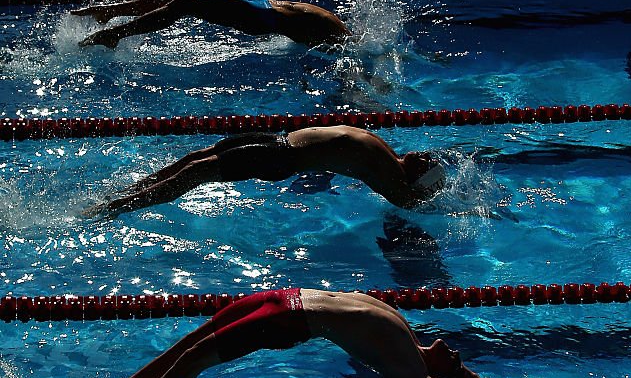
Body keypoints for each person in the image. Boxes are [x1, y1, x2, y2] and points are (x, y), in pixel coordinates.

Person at [89, 288, 500, 378]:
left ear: (439, 372)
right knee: (184, 349)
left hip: (286, 321)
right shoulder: (407, 334)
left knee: (193, 360)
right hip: (281, 299)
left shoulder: (408, 367)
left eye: (456, 363)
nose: (458, 353)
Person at [84, 127, 446, 216]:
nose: (427, 155)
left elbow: (404, 202)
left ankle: (115, 208)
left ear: (419, 173)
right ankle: (125, 195)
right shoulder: (388, 153)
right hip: (276, 141)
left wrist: (431, 195)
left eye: (430, 164)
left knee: (194, 174)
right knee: (193, 160)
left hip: (279, 157)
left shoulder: (385, 169)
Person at [74, 0, 348, 49]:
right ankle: (108, 14)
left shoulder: (335, 30)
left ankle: (113, 31)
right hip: (263, 5)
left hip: (262, 15)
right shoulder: (338, 34)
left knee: (183, 2)